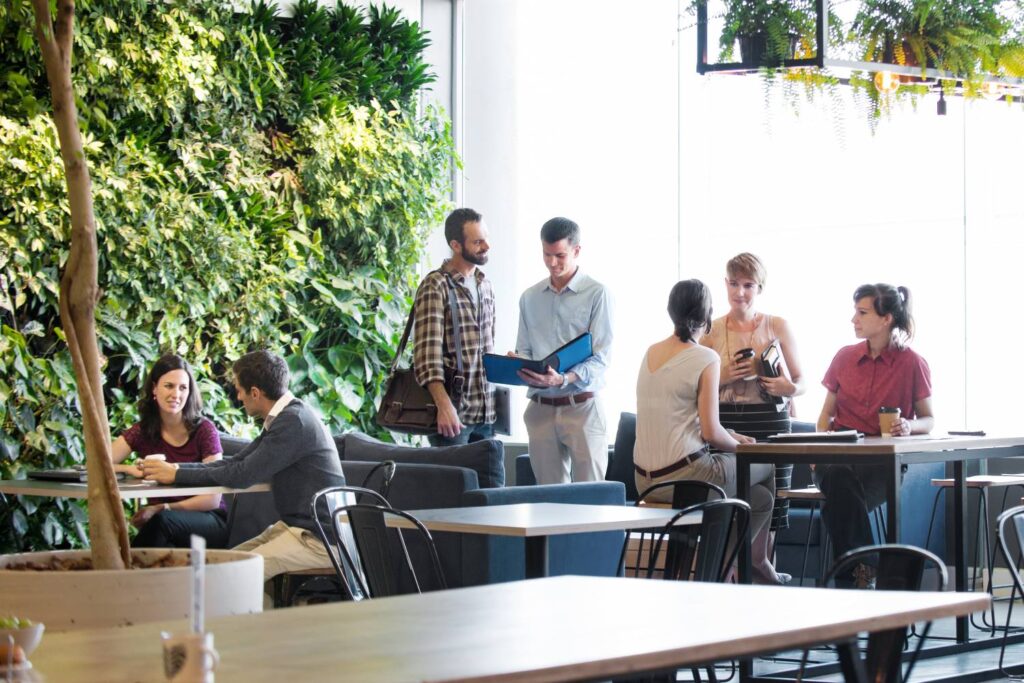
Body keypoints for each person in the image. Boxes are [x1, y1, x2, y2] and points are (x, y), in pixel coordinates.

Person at [142, 350, 346, 581]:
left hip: (321, 541)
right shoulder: (284, 418)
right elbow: (235, 462)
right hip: (297, 529)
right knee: (222, 564)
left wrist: (176, 475)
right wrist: (176, 470)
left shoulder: (293, 422)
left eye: (239, 390)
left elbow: (242, 475)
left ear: (256, 393)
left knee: (227, 576)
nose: (238, 397)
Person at [634, 279, 785, 585]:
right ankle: (742, 566)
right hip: (688, 480)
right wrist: (743, 448)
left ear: (671, 311)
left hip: (645, 482)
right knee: (766, 464)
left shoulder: (650, 352)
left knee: (759, 498)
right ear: (707, 316)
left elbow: (683, 420)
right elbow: (712, 433)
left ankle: (725, 568)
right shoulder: (705, 357)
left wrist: (730, 433)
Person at [814, 283, 934, 582]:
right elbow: (825, 416)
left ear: (886, 319)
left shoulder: (912, 363)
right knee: (839, 477)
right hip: (837, 459)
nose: (854, 319)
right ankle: (867, 568)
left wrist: (908, 425)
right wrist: (818, 446)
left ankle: (854, 576)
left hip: (882, 467)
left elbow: (928, 420)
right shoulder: (844, 357)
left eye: (862, 312)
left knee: (837, 507)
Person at [701, 253, 804, 582]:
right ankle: (742, 576)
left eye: (748, 285)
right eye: (733, 284)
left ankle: (760, 578)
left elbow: (800, 383)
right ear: (725, 284)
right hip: (726, 422)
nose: (740, 292)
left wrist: (787, 386)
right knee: (733, 501)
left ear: (759, 287)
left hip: (771, 423)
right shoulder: (711, 330)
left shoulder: (777, 325)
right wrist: (726, 374)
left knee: (771, 510)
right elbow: (694, 385)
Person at [516, 216, 612, 484]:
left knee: (590, 503)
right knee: (548, 504)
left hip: (582, 407)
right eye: (546, 255)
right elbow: (524, 348)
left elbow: (602, 358)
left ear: (577, 251)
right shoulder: (529, 297)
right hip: (540, 409)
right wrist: (517, 363)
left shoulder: (597, 293)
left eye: (560, 255)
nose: (552, 263)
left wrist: (564, 378)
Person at [110, 354, 228, 548]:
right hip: (161, 521)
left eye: (183, 388)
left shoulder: (204, 430)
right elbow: (98, 462)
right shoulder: (144, 430)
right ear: (154, 388)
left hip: (208, 520)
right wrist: (131, 469)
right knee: (158, 528)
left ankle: (128, 574)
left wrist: (161, 508)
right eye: (169, 386)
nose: (176, 394)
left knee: (162, 522)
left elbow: (212, 498)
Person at [413, 207, 496, 446]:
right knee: (454, 483)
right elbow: (426, 357)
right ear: (456, 245)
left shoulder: (485, 285)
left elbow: (486, 347)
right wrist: (444, 406)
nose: (487, 246)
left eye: (486, 238)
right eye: (478, 241)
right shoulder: (435, 285)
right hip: (452, 418)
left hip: (486, 415)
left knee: (492, 484)